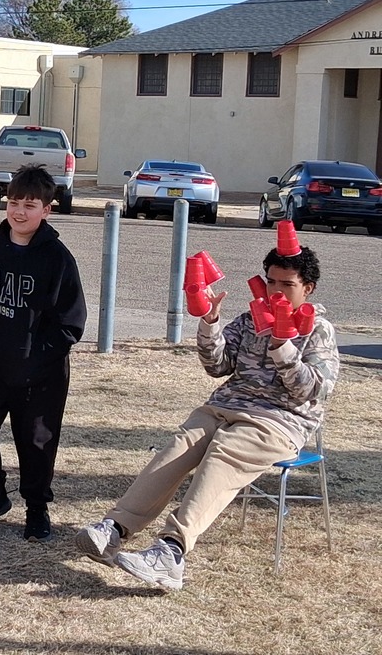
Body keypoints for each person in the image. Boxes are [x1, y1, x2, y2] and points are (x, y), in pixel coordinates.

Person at [75, 244, 340, 590]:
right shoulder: (250, 319)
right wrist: (211, 322)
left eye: (286, 285)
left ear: (308, 288)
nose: (276, 291)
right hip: (224, 406)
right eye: (271, 281)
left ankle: (171, 552)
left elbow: (312, 390)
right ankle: (115, 529)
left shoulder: (318, 330)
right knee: (178, 447)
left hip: (278, 421)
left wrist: (283, 346)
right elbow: (217, 366)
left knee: (223, 455)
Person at [0, 165, 87, 541]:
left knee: (37, 442)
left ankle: (37, 509)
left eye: (30, 204)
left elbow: (71, 324)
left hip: (43, 373)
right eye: (14, 202)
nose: (19, 211)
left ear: (47, 210)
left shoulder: (58, 259)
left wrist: (37, 357)